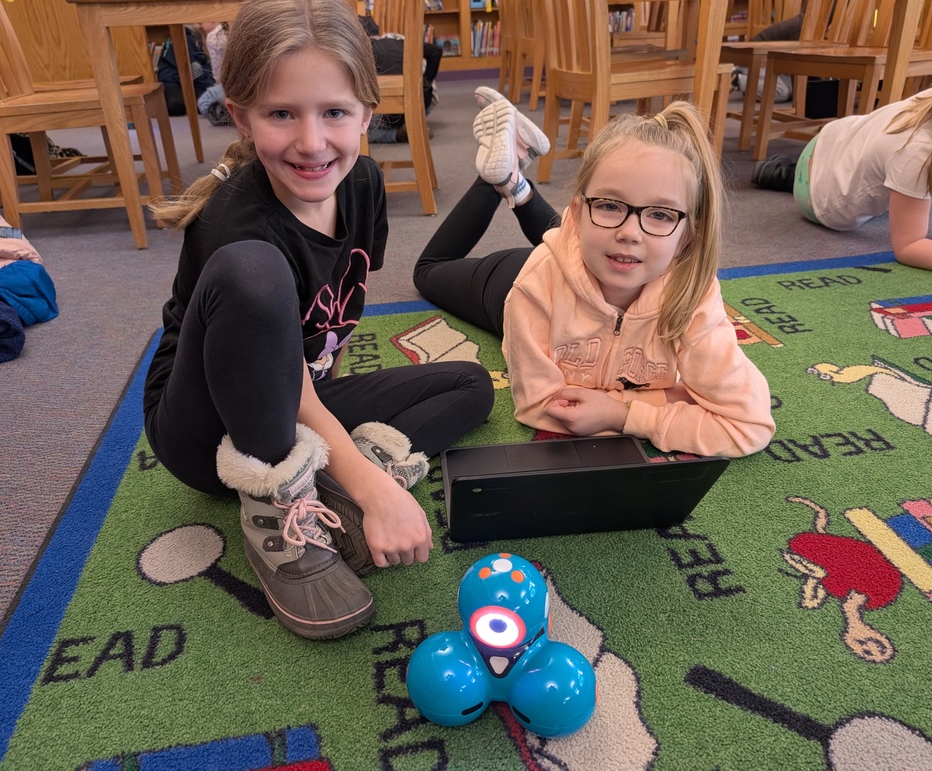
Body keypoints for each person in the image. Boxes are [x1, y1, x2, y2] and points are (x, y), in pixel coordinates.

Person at [144, 0, 494, 641]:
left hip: (293, 388)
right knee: (254, 271)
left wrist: (357, 475)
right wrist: (374, 490)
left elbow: (307, 362)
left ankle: (323, 485)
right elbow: (277, 366)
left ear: (367, 111)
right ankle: (279, 507)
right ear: (244, 116)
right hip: (210, 427)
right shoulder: (237, 222)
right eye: (282, 114)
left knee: (470, 386)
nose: (311, 142)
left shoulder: (361, 184)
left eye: (334, 112)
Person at [414, 89, 775, 459]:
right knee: (428, 272)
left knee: (608, 239)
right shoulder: (534, 286)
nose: (631, 232)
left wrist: (623, 415)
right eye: (608, 204)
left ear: (686, 238)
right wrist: (668, 398)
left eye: (661, 215)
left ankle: (515, 175)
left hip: (592, 257)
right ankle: (499, 179)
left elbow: (749, 424)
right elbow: (540, 406)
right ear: (576, 215)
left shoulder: (691, 295)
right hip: (510, 280)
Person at [751, 49, 932, 277]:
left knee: (900, 182)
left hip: (839, 138)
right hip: (819, 196)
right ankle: (784, 174)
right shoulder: (919, 151)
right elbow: (909, 247)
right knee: (904, 184)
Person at [359, 15, 443, 143]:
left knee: (355, 130)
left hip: (386, 113)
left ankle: (395, 135)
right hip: (419, 104)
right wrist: (426, 81)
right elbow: (436, 51)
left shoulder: (363, 50)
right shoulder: (400, 41)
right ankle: (413, 126)